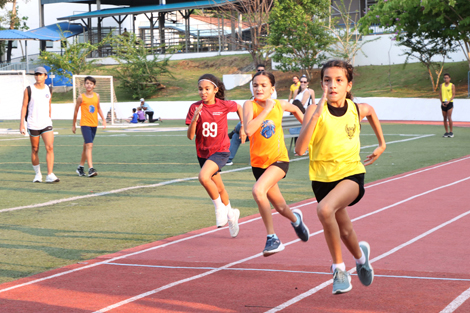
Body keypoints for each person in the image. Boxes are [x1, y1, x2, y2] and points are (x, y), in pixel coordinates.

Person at [295, 60, 386, 294]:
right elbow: (300, 150)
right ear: (322, 84)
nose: (332, 86)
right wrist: (315, 115)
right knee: (344, 230)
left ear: (348, 85)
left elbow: (371, 111)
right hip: (322, 179)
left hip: (351, 174)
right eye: (327, 81)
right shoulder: (314, 111)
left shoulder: (356, 109)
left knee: (325, 211)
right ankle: (361, 259)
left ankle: (339, 270)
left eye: (339, 80)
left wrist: (381, 144)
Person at [243, 70, 309, 256]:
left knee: (258, 191)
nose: (259, 88)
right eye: (255, 85)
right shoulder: (249, 105)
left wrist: (308, 132)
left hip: (279, 160)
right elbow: (249, 129)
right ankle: (296, 219)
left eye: (264, 85)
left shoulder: (280, 104)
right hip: (258, 164)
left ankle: (272, 238)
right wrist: (266, 109)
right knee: (280, 206)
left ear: (272, 89)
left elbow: (296, 109)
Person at [186, 74, 245, 238]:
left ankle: (219, 208)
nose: (203, 92)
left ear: (215, 90)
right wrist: (194, 120)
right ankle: (232, 214)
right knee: (219, 187)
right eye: (200, 89)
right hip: (203, 152)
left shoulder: (224, 105)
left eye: (207, 89)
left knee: (204, 177)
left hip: (220, 150)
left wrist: (243, 127)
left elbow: (239, 107)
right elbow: (190, 137)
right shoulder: (194, 108)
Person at [19, 66, 59, 183]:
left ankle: (50, 174)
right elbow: (24, 106)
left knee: (50, 147)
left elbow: (49, 104)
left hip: (46, 123)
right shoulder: (29, 89)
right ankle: (38, 174)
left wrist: (49, 116)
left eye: (40, 74)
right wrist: (22, 124)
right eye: (36, 74)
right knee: (35, 149)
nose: (38, 76)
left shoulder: (49, 89)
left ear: (45, 76)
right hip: (33, 123)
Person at [72, 76, 107, 177]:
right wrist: (74, 124)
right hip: (85, 124)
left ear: (94, 86)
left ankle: (80, 168)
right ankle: (91, 169)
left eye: (91, 83)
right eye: (87, 83)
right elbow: (76, 111)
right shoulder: (81, 97)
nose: (89, 85)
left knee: (86, 146)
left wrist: (104, 120)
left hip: (94, 124)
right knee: (89, 145)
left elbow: (98, 108)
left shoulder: (97, 96)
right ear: (84, 85)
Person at [439, 73, 455, 138]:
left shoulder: (452, 85)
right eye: (445, 78)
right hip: (443, 103)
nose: (446, 79)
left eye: (447, 78)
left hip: (450, 103)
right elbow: (440, 94)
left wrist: (449, 101)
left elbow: (453, 94)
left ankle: (451, 132)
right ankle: (446, 132)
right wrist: (441, 102)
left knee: (449, 117)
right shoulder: (441, 85)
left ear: (449, 78)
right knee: (444, 118)